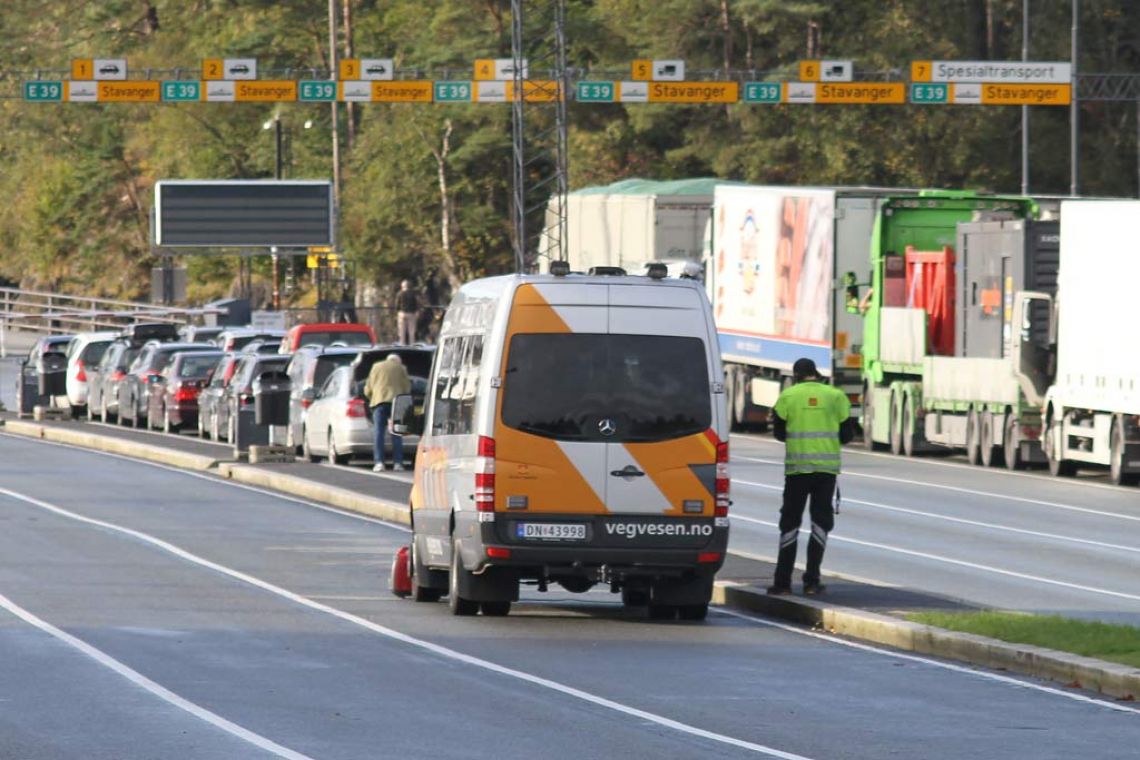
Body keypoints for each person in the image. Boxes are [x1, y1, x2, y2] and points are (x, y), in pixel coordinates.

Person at [767, 358, 854, 596]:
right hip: (826, 472)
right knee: (820, 523)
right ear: (815, 373)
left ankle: (782, 583)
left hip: (797, 471)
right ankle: (812, 581)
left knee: (790, 524)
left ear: (796, 375)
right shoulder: (836, 396)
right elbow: (847, 435)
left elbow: (779, 433)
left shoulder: (788, 396)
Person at [364, 353, 411, 471]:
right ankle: (398, 463)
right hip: (396, 403)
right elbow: (407, 388)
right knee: (396, 433)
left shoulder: (376, 367)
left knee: (379, 433)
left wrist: (372, 397)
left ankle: (379, 462)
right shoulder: (401, 368)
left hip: (379, 402)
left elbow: (368, 389)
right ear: (397, 361)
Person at [395, 280, 419, 345]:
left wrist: (398, 311)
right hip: (411, 314)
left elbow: (397, 304)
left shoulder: (399, 294)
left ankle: (402, 344)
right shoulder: (413, 294)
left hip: (402, 313)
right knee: (411, 331)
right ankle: (412, 344)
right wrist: (416, 311)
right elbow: (416, 304)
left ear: (402, 286)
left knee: (401, 331)